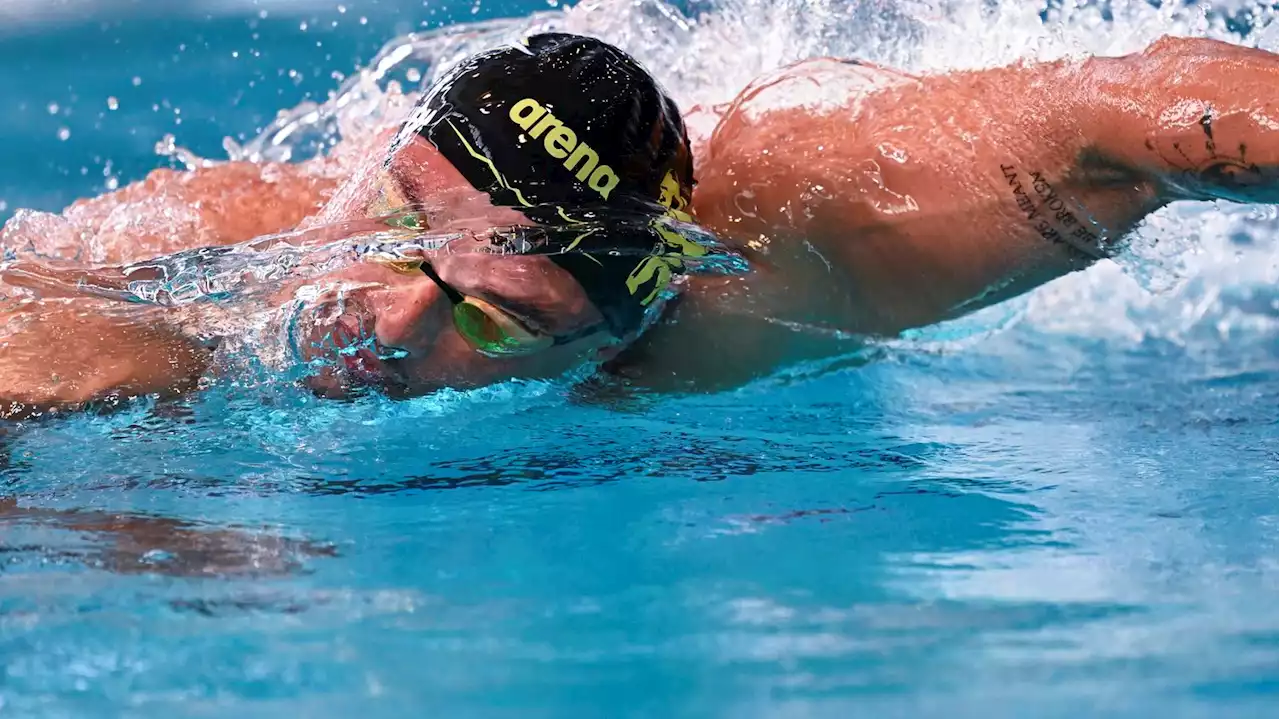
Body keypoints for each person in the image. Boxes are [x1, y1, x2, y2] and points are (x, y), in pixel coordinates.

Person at [1, 31, 1277, 417]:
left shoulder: (805, 254)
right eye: (396, 228)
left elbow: (1131, 113)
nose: (384, 318)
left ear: (641, 309)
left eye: (497, 320)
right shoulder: (205, 248)